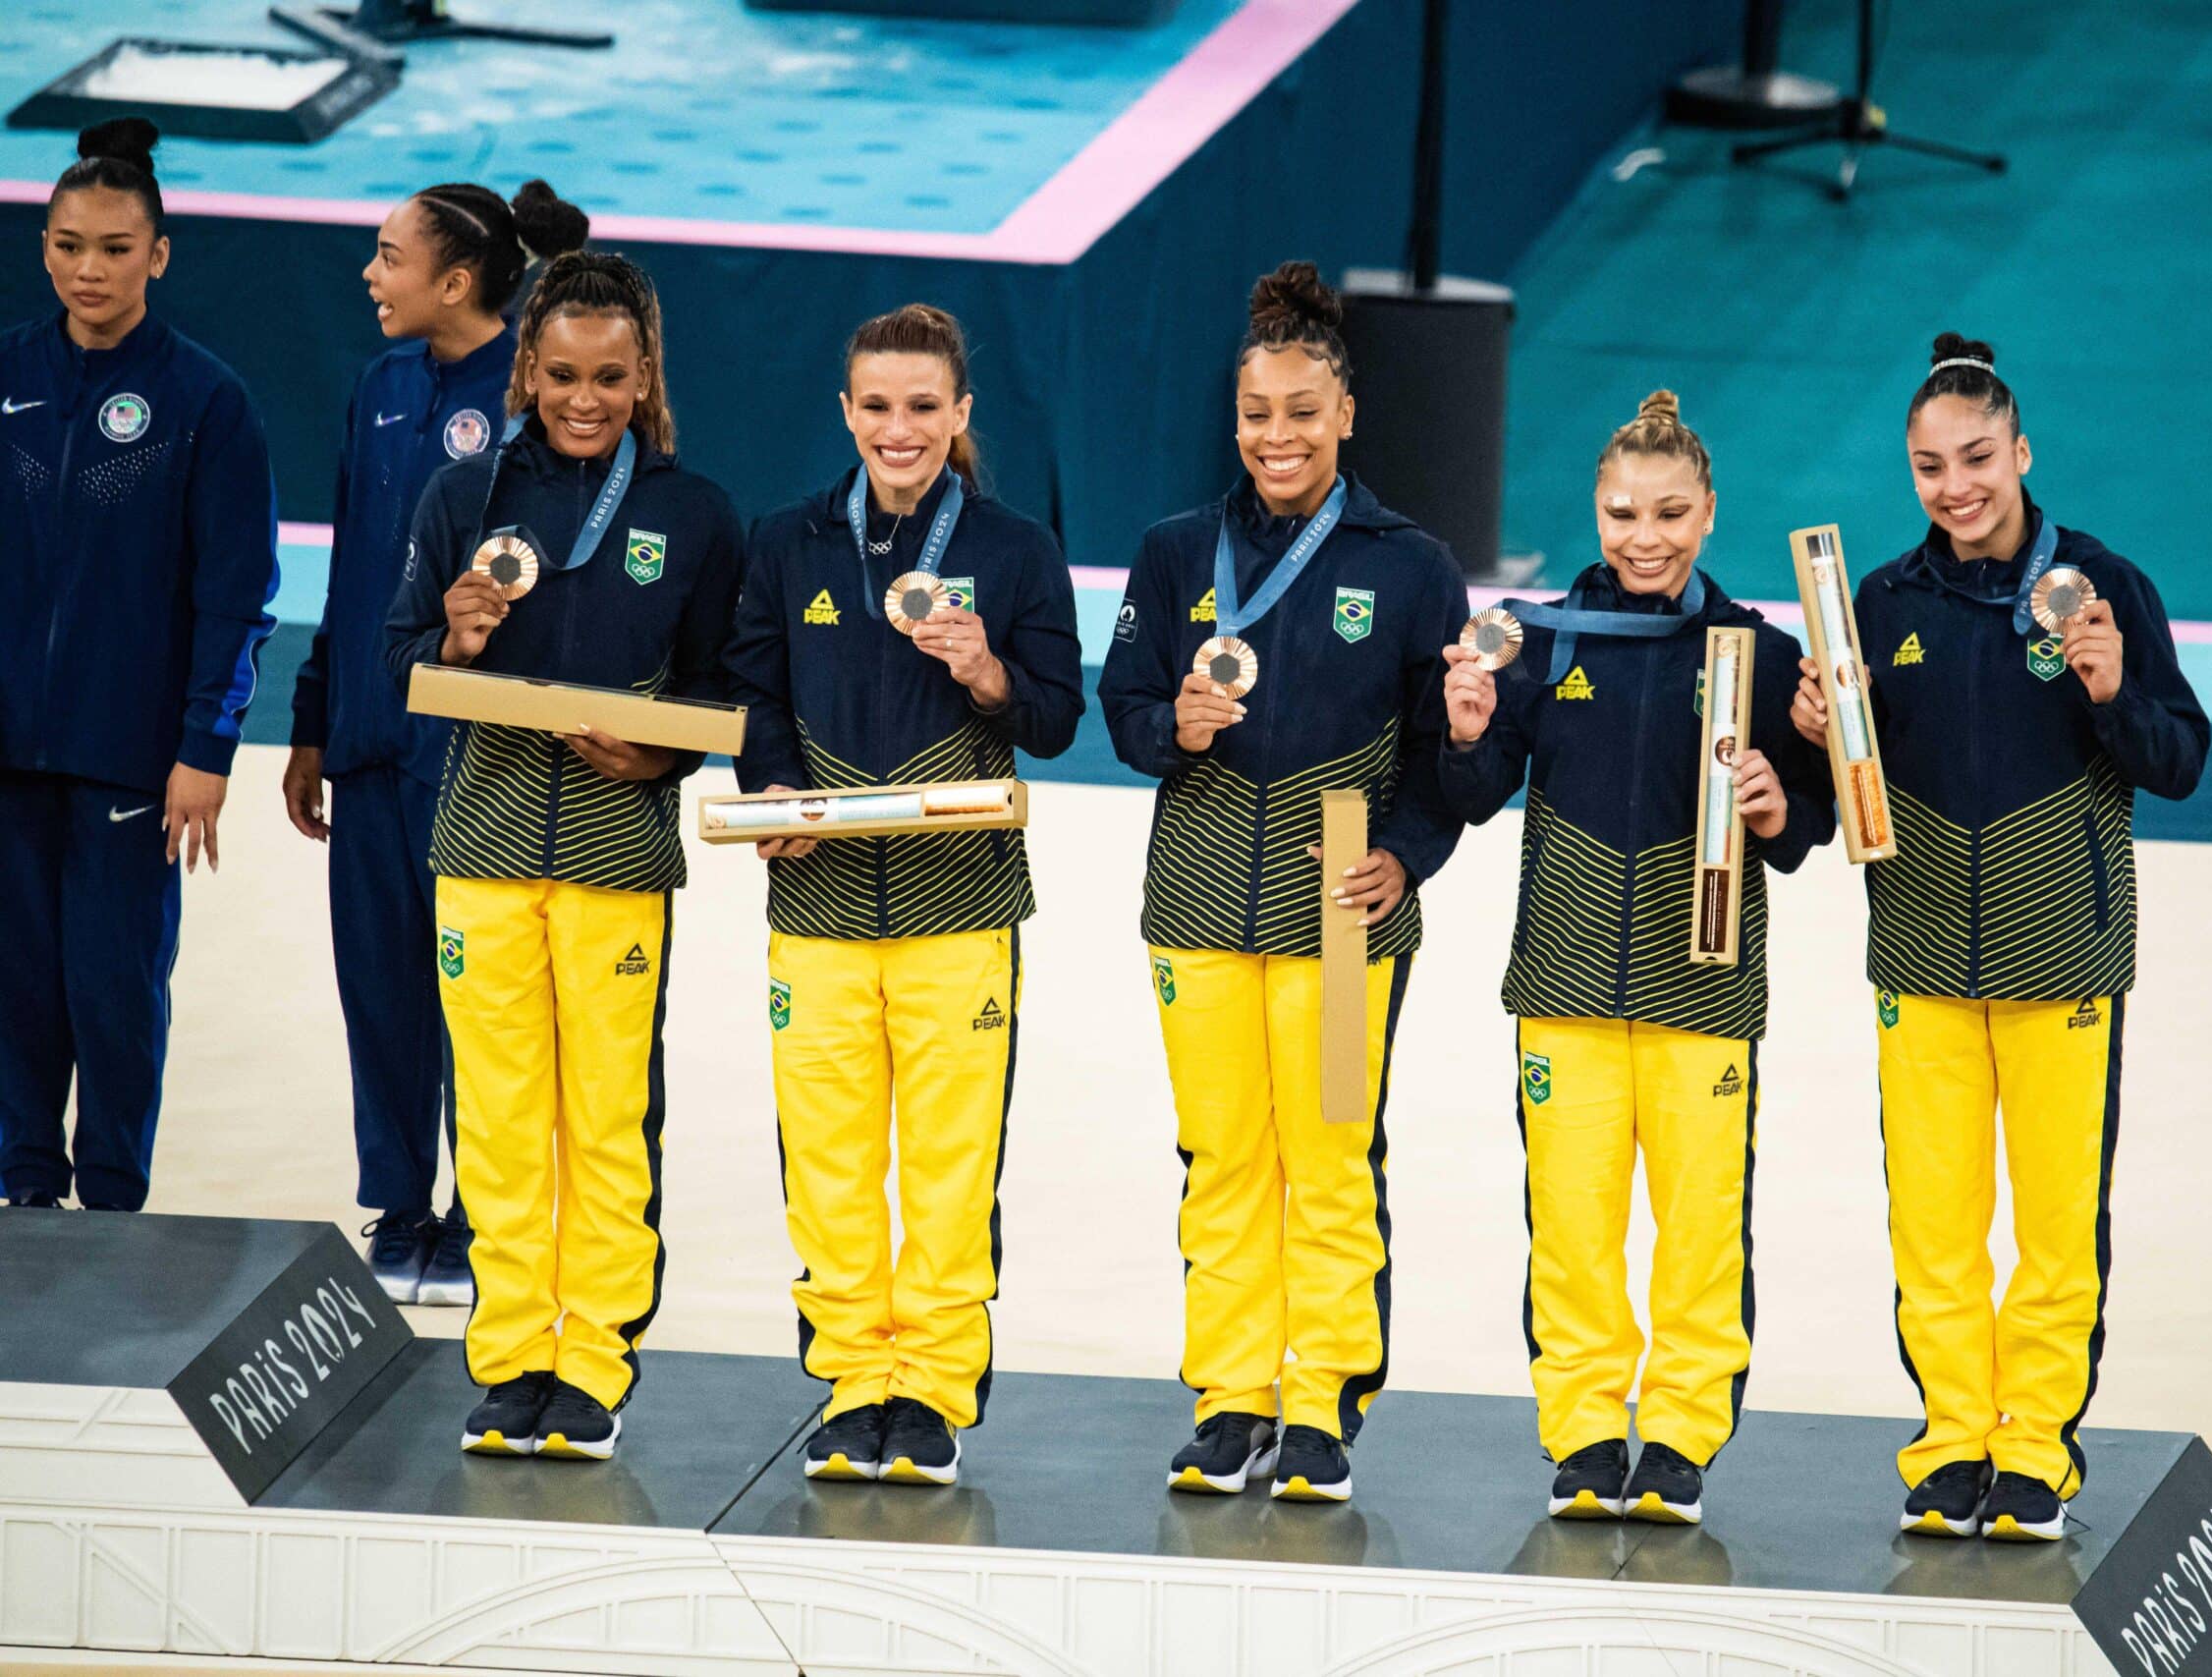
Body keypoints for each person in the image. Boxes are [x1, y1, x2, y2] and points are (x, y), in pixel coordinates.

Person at [1792, 334, 2207, 1541]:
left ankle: (2034, 1448)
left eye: (1976, 457)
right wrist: (1820, 737)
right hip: (1919, 962)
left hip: (2061, 963)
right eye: (1929, 466)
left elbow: (2176, 763)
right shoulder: (1878, 601)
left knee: (2055, 1224)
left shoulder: (2104, 586)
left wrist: (2113, 689)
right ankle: (1949, 1445)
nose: (1954, 485)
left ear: (2020, 451)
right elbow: (1841, 809)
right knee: (1931, 1223)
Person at [1098, 261, 1467, 1504]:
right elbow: (1122, 708)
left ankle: (1320, 1404)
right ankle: (1231, 1397)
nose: (1277, 437)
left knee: (1328, 1153)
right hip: (1199, 893)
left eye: (1303, 413)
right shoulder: (1169, 554)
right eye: (1257, 414)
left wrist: (1405, 852)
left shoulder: (1410, 566)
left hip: (1346, 909)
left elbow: (1441, 756)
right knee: (1222, 1156)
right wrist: (1176, 730)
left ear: (1347, 415)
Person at [1435, 392, 1832, 1524]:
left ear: (1708, 514)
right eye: (1621, 514)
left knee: (1702, 1227)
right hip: (1562, 990)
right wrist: (1465, 728)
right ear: (1595, 514)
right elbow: (1469, 799)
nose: (1642, 536)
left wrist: (1768, 805)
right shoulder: (1544, 640)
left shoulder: (1760, 652)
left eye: (1667, 513)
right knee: (1570, 1226)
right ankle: (1584, 1431)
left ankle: (1678, 1436)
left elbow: (1810, 833)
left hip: (1701, 994)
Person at [383, 252, 743, 1461]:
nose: (585, 399)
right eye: (562, 375)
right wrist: (458, 632)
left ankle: (591, 1362)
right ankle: (512, 1352)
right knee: (493, 1115)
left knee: (602, 1114)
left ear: (644, 378)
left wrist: (659, 763)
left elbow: (713, 689)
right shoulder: (461, 499)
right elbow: (403, 665)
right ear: (527, 370)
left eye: (611, 376)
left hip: (613, 854)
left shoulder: (692, 517)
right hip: (482, 845)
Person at [724, 304, 1082, 1486]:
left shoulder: (1018, 549)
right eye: (876, 406)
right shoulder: (787, 543)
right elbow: (754, 695)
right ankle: (849, 1381)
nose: (899, 429)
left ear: (960, 415)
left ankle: (928, 1388)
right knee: (826, 1158)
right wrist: (772, 787)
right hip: (819, 906)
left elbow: (1055, 715)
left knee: (946, 1162)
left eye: (923, 407)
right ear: (846, 412)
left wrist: (985, 671)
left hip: (957, 912)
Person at [286, 180, 588, 1305]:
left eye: (387, 256)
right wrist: (315, 719)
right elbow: (352, 570)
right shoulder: (374, 387)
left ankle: (482, 1212)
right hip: (369, 740)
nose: (370, 275)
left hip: (472, 754)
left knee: (480, 992)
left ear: (454, 283)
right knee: (382, 985)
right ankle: (399, 1204)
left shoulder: (530, 403)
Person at [0, 119, 279, 1212]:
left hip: (131, 756)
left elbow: (237, 593)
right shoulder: (9, 376)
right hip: (9, 748)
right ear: (44, 246)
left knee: (113, 988)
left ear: (158, 255)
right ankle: (24, 1187)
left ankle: (113, 1195)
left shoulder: (206, 403)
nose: (89, 269)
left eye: (116, 248)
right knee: (16, 981)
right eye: (69, 244)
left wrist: (207, 747)